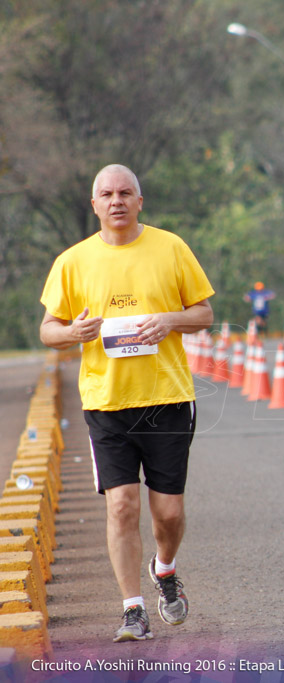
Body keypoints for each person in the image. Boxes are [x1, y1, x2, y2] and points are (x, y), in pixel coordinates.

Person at [39, 164, 215, 642]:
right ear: (93, 204)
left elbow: (204, 313)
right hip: (106, 402)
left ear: (140, 201)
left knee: (169, 514)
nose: (116, 200)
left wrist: (169, 320)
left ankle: (165, 568)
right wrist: (72, 332)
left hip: (168, 400)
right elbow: (48, 328)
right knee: (121, 506)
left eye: (125, 193)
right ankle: (132, 609)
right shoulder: (73, 262)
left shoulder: (170, 247)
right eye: (106, 194)